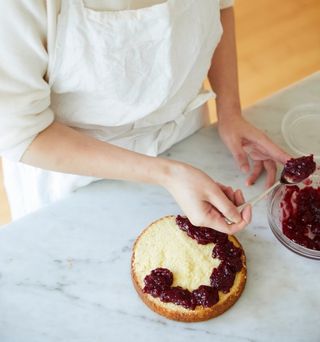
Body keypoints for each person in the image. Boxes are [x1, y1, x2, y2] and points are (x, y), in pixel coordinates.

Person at [0, 0, 290, 233]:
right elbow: (24, 131)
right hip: (75, 170)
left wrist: (230, 111)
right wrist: (167, 173)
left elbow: (219, 8)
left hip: (184, 141)